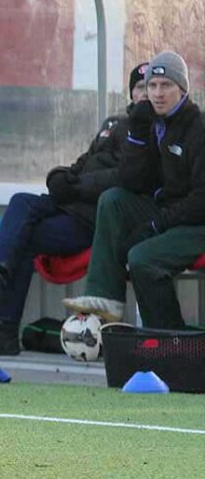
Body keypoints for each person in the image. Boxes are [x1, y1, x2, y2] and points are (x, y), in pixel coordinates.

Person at [0, 63, 149, 357]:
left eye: (152, 86)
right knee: (21, 202)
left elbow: (127, 179)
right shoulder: (113, 123)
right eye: (140, 87)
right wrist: (59, 177)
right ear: (131, 92)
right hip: (72, 203)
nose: (145, 93)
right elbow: (83, 162)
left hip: (96, 218)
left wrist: (76, 186)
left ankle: (2, 325)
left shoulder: (151, 133)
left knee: (24, 239)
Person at [63, 51, 205, 327]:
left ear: (183, 89)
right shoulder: (153, 124)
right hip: (172, 212)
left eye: (166, 86)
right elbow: (131, 182)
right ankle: (104, 297)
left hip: (198, 222)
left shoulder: (198, 128)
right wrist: (137, 135)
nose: (157, 93)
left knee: (142, 258)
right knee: (113, 199)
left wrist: (155, 224)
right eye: (152, 86)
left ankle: (168, 338)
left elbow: (202, 200)